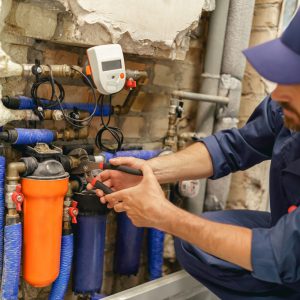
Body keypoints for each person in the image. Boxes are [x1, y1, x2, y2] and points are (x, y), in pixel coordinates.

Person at [88, 9, 300, 300]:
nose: (279, 94)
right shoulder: (287, 102)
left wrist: (163, 216)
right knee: (197, 244)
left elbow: (282, 253)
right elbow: (236, 146)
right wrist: (150, 171)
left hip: (290, 248)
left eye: (294, 79)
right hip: (289, 236)